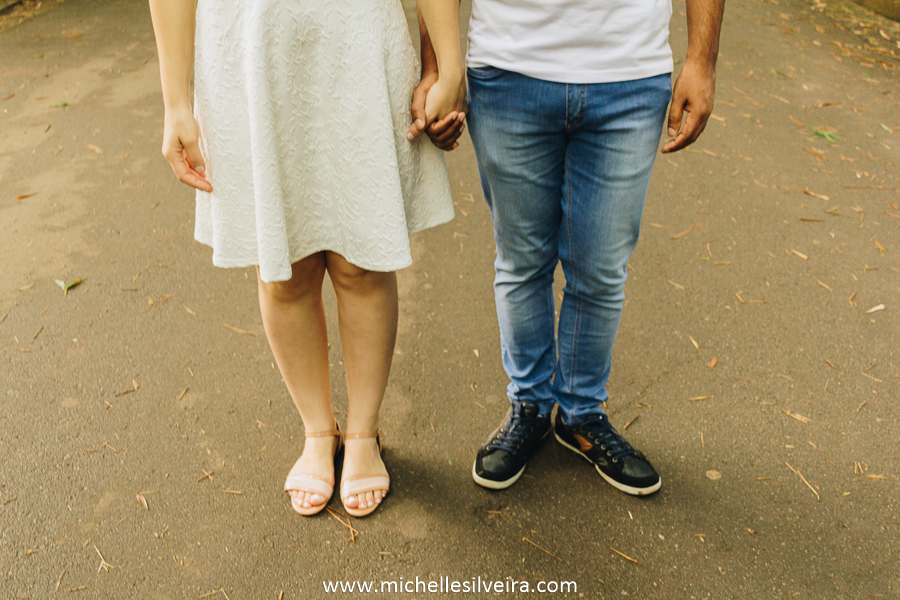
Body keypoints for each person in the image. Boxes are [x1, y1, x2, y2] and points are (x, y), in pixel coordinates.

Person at [149, 0, 466, 518]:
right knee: (283, 269)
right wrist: (175, 104)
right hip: (247, 51)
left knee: (360, 260)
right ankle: (318, 430)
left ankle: (362, 431)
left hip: (355, 42)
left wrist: (448, 64)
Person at [413, 0, 724, 495]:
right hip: (510, 69)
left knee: (601, 270)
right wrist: (437, 68)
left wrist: (701, 61)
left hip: (630, 73)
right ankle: (530, 407)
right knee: (522, 262)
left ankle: (581, 413)